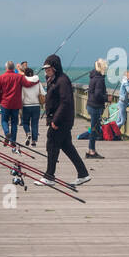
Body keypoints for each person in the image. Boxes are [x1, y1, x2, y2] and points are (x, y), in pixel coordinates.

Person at [37, 54, 90, 188]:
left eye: (48, 68)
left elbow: (65, 102)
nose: (46, 71)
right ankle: (83, 174)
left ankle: (49, 176)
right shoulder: (54, 80)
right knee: (67, 147)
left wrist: (55, 120)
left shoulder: (62, 80)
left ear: (54, 67)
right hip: (58, 121)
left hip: (61, 121)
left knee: (52, 145)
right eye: (45, 69)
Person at [0, 61, 26, 147]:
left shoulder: (1, 77)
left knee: (4, 120)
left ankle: (7, 132)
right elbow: (27, 84)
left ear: (6, 68)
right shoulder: (19, 77)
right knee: (14, 122)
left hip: (5, 103)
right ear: (13, 68)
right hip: (15, 103)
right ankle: (13, 141)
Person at [85, 58, 108, 158]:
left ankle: (91, 149)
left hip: (91, 105)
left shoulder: (93, 77)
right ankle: (91, 151)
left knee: (95, 129)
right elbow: (98, 94)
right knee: (94, 129)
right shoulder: (99, 79)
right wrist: (107, 98)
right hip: (95, 107)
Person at [19, 62, 43, 146]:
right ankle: (34, 141)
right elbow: (43, 93)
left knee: (25, 122)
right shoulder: (38, 82)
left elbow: (21, 96)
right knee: (35, 123)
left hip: (26, 106)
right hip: (36, 106)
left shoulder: (23, 83)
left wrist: (20, 105)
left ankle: (28, 133)